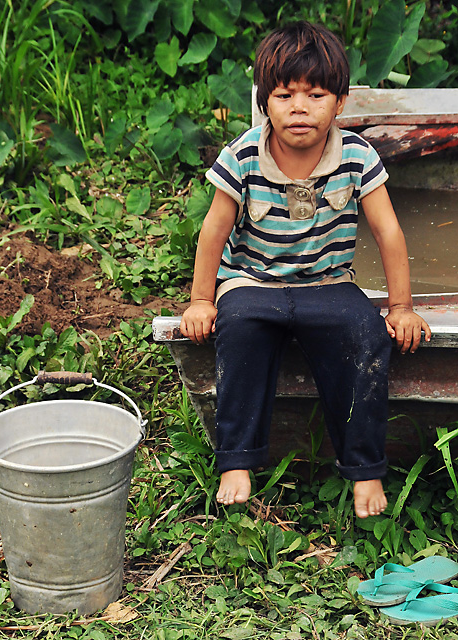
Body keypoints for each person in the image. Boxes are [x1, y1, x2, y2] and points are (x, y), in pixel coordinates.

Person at [180, 21, 431, 519]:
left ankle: (365, 468)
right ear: (264, 103)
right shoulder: (244, 155)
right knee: (241, 331)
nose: (299, 107)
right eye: (284, 95)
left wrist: (401, 307)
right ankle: (237, 460)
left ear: (339, 103)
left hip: (328, 283)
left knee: (366, 337)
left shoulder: (357, 155)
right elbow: (212, 232)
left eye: (316, 94)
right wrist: (202, 300)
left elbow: (389, 233)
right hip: (251, 281)